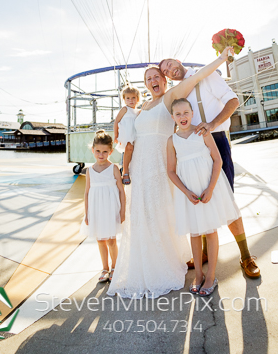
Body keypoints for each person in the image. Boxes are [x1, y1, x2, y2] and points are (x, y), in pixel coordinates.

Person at [108, 47, 233, 299]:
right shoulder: (143, 106)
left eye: (157, 76)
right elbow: (127, 133)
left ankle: (167, 264)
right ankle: (143, 264)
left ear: (165, 80)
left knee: (161, 212)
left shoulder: (170, 98)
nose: (153, 81)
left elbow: (198, 77)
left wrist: (221, 59)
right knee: (141, 213)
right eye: (148, 79)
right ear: (145, 85)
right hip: (141, 166)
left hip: (160, 163)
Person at [159, 57, 261, 278]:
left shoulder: (205, 75)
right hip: (188, 145)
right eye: (165, 70)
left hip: (213, 137)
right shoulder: (178, 91)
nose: (169, 69)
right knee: (197, 197)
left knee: (226, 199)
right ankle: (204, 253)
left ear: (177, 60)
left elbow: (233, 101)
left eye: (169, 64)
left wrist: (212, 125)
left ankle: (245, 255)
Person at [167, 98, 241, 297]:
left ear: (192, 114)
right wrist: (185, 191)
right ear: (172, 117)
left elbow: (217, 160)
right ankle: (198, 275)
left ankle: (211, 277)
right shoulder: (171, 141)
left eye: (186, 113)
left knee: (210, 231)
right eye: (178, 114)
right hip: (189, 192)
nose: (182, 117)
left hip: (208, 188)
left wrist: (210, 188)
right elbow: (171, 171)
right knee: (194, 233)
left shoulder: (202, 132)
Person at [80, 131, 125, 284]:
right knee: (100, 240)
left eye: (105, 151)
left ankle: (115, 267)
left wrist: (122, 210)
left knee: (111, 240)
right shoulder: (90, 171)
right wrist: (87, 214)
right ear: (92, 150)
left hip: (111, 209)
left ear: (110, 152)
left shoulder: (113, 168)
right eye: (98, 151)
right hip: (96, 210)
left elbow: (121, 190)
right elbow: (86, 193)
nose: (101, 154)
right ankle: (104, 268)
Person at [113, 85, 140, 185]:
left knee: (134, 152)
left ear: (137, 99)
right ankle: (125, 171)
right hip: (127, 134)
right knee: (128, 149)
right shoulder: (124, 109)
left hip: (136, 135)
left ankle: (133, 169)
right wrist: (116, 135)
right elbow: (116, 121)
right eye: (128, 98)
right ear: (124, 99)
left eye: (133, 98)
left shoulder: (138, 111)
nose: (131, 100)